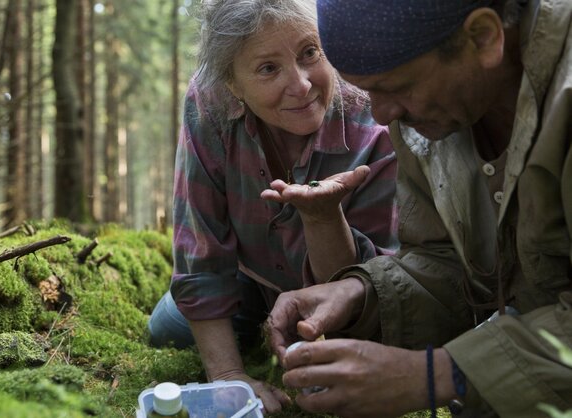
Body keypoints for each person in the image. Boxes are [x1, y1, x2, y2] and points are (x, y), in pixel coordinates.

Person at [267, 0, 572, 416]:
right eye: (368, 91)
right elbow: (446, 262)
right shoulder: (432, 118)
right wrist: (362, 292)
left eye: (394, 86)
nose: (380, 115)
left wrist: (439, 375)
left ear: (483, 36)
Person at [146, 0, 400, 413]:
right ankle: (250, 333)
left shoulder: (375, 118)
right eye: (268, 68)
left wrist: (322, 217)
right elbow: (200, 248)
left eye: (309, 53)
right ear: (233, 84)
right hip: (247, 276)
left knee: (330, 387)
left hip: (342, 296)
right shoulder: (209, 102)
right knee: (166, 331)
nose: (301, 85)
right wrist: (227, 376)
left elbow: (371, 284)